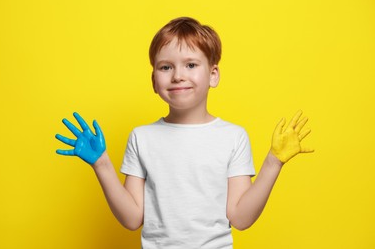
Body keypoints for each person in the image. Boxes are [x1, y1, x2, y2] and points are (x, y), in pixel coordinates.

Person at [55, 17, 314, 249]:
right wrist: (101, 164)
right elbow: (132, 218)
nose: (178, 75)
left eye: (191, 65)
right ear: (154, 81)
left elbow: (241, 218)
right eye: (166, 67)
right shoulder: (142, 138)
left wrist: (273, 162)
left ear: (213, 75)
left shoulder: (233, 137)